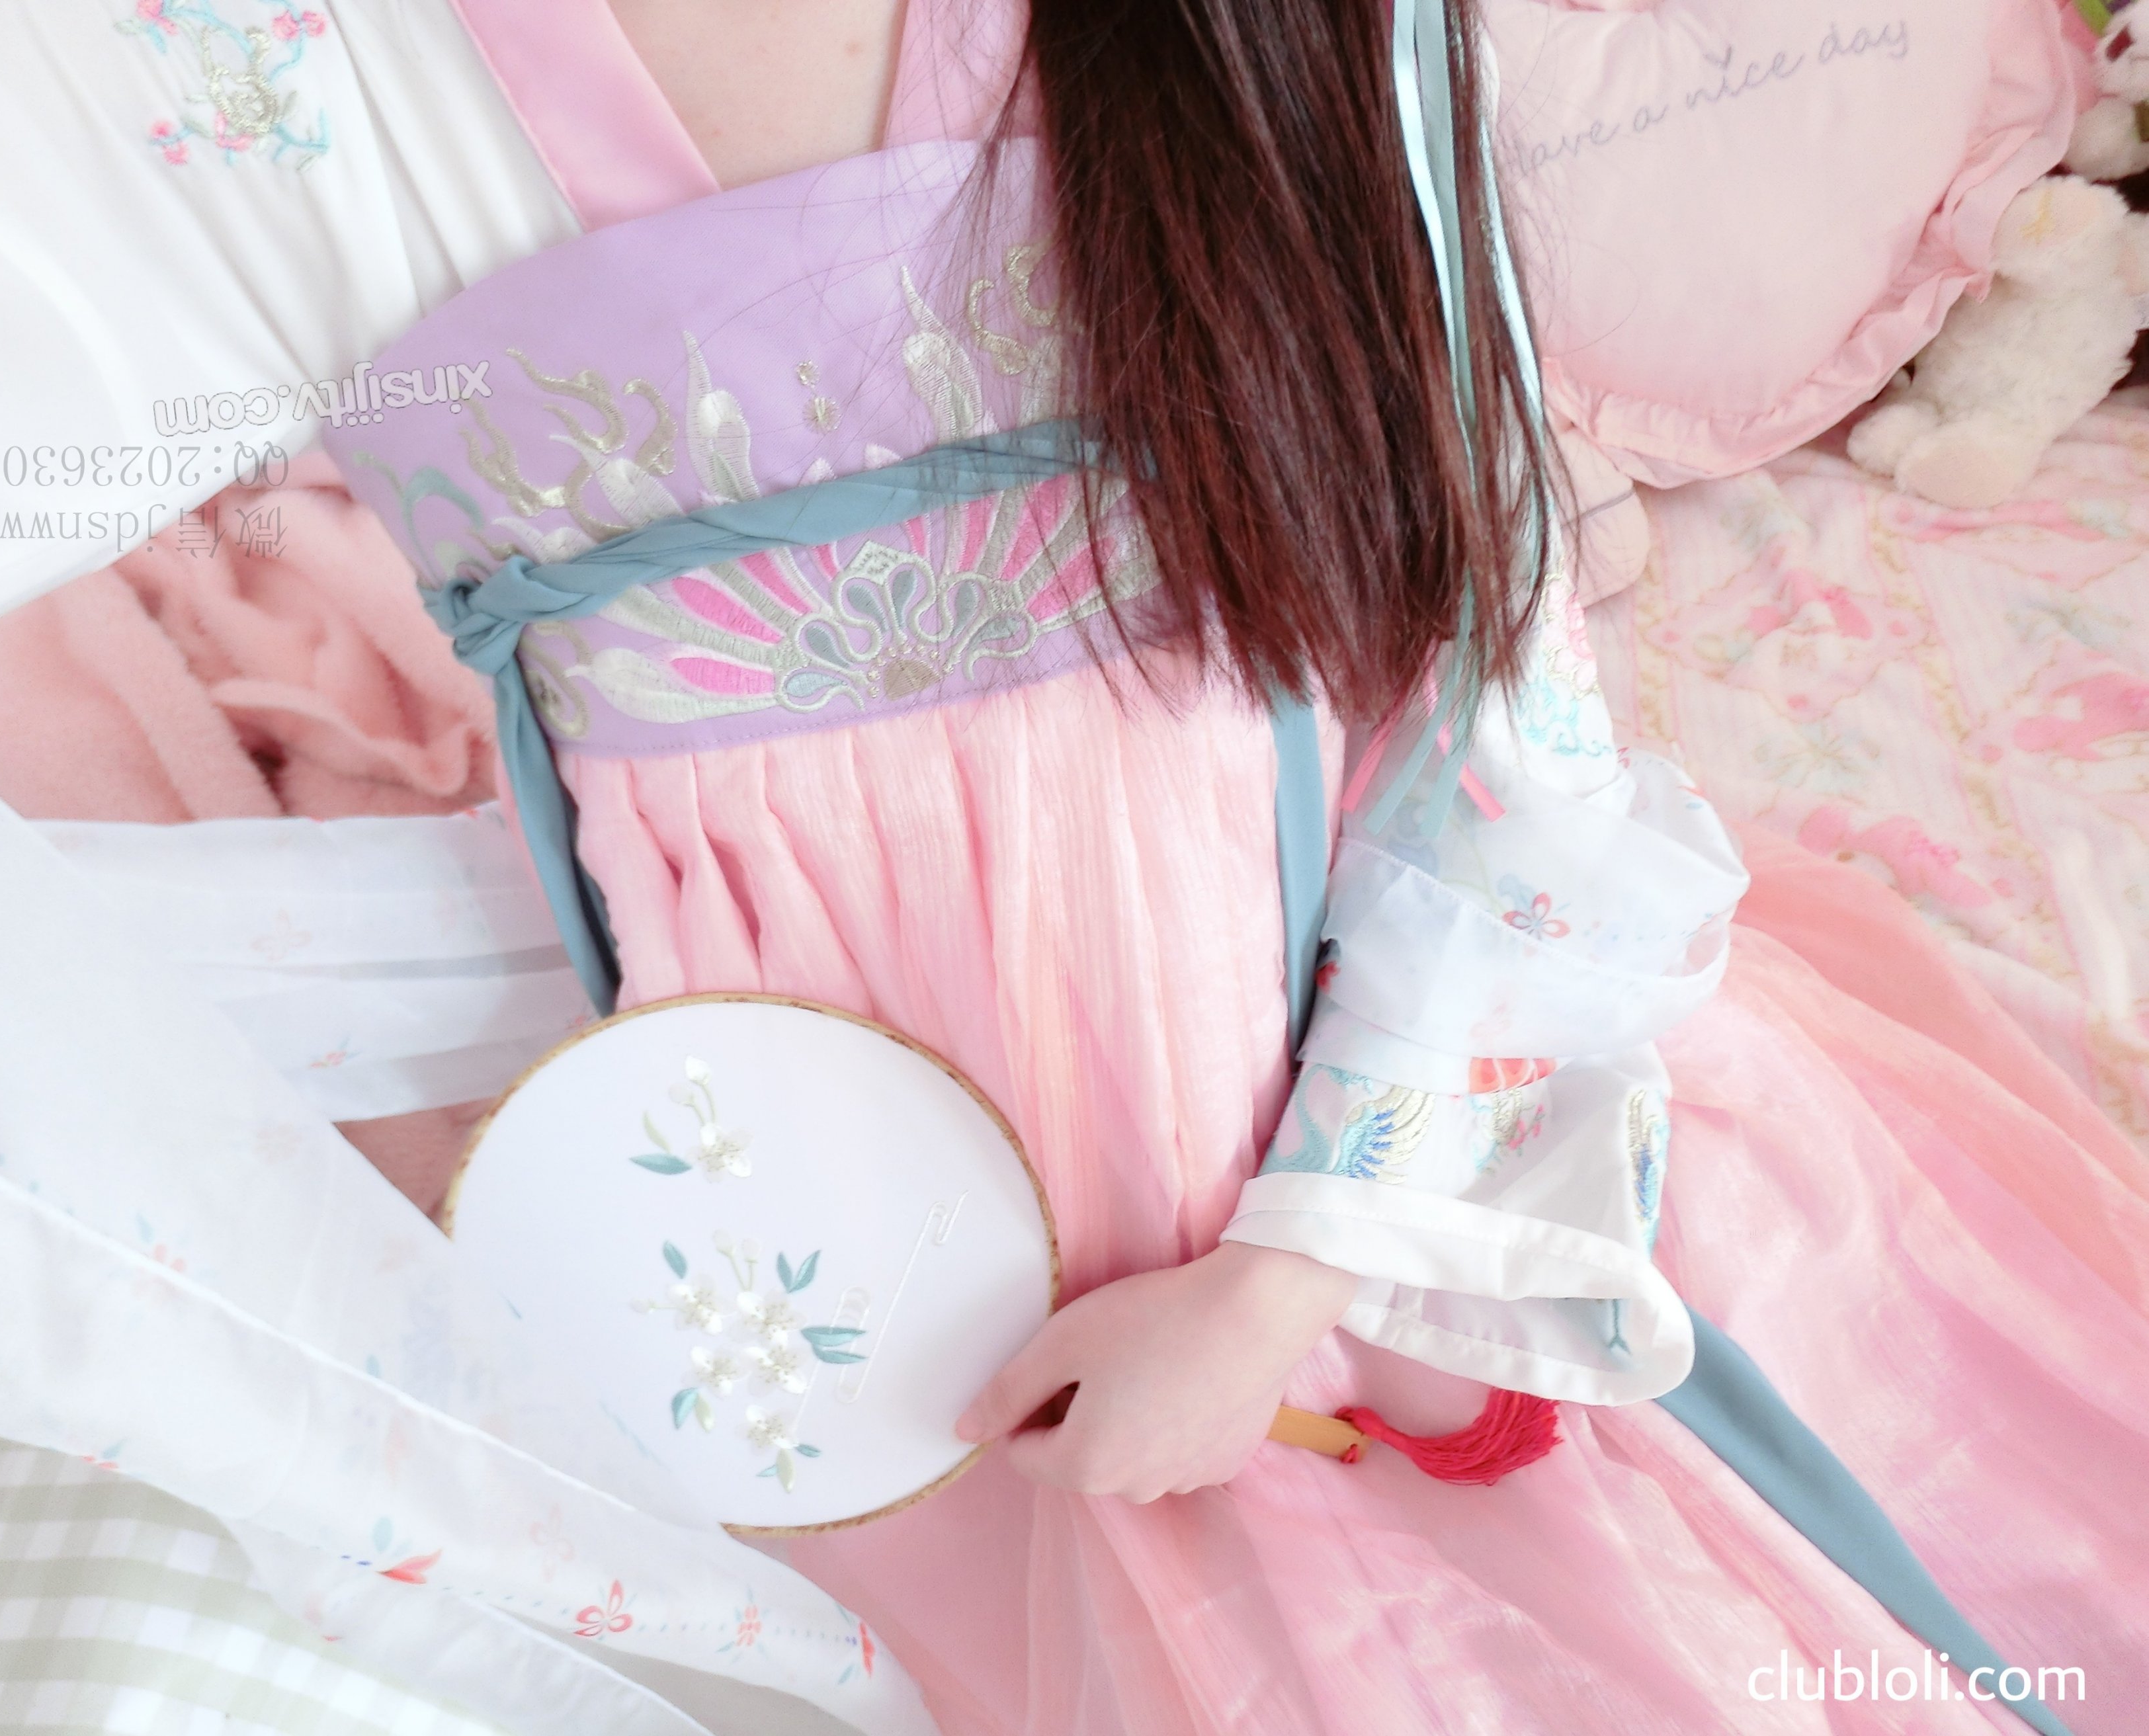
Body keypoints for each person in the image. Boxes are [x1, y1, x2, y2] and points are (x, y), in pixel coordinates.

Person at [325, 0, 2149, 1729]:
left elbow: (1496, 698)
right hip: (843, 1276)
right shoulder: (289, 84)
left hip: (1359, 1170)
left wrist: (1280, 1281)